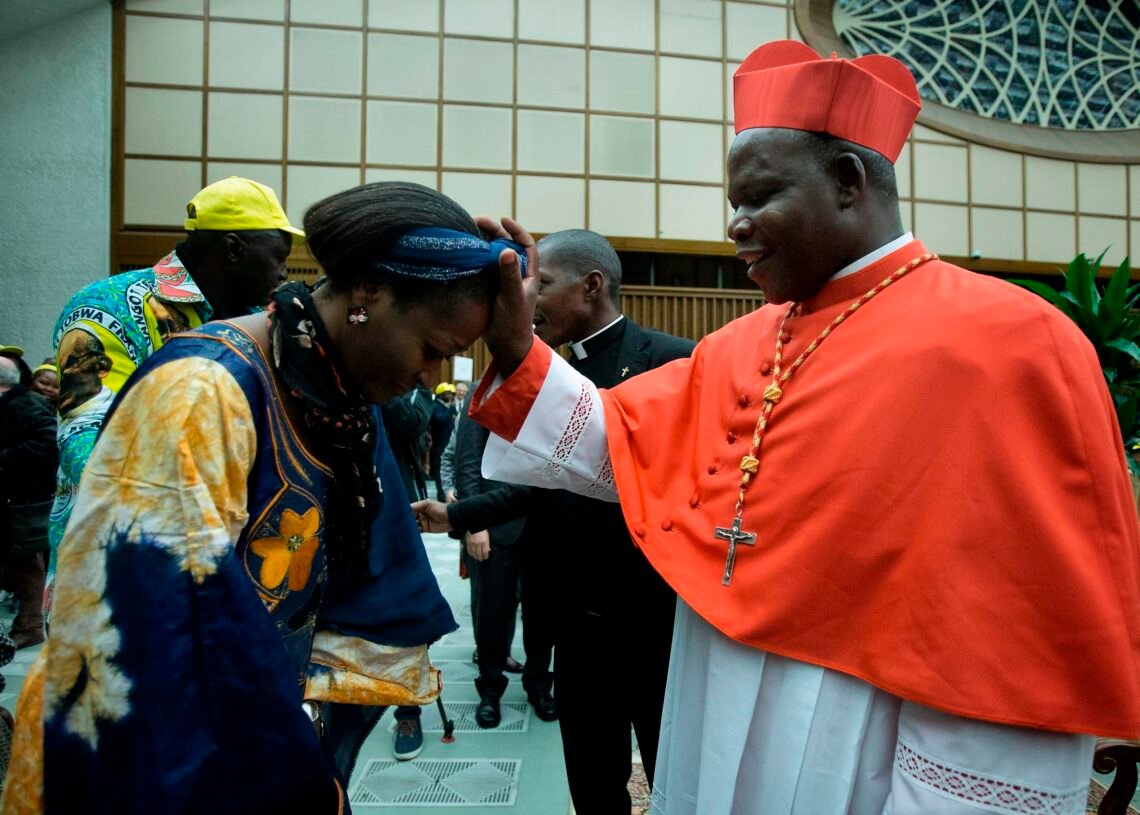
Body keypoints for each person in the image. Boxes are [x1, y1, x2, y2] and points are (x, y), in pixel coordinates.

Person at [445, 41, 1140, 813]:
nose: (736, 226)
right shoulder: (746, 340)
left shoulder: (1010, 341)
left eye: (759, 197)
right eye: (731, 205)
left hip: (867, 728)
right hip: (717, 687)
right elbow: (626, 445)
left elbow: (1018, 628)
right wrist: (515, 345)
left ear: (847, 180)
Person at [1, 182, 530, 813]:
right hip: (156, 751)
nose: (429, 378)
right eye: (432, 350)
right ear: (367, 292)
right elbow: (164, 651)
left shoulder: (335, 393)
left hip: (255, 719)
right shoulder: (201, 392)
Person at [415, 228, 693, 809]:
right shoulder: (558, 379)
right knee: (591, 775)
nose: (530, 300)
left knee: (672, 776)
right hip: (574, 619)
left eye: (541, 284)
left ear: (592, 286)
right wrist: (456, 514)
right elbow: (538, 490)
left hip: (651, 620)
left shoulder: (673, 360)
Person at [46, 176, 301, 609]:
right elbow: (89, 436)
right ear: (234, 249)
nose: (283, 274)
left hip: (230, 568)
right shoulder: (107, 307)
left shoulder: (261, 320)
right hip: (116, 570)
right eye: (278, 259)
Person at [0, 356, 57, 650]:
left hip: (22, 502)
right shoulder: (16, 403)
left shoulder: (24, 405)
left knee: (25, 564)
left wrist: (4, 459)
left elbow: (48, 445)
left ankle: (30, 625)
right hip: (17, 499)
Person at [429, 382, 458, 500]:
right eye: (448, 393)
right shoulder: (435, 406)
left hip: (447, 442)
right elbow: (440, 419)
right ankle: (441, 495)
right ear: (440, 394)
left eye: (452, 394)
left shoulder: (447, 407)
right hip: (439, 444)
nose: (451, 396)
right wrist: (451, 409)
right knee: (439, 471)